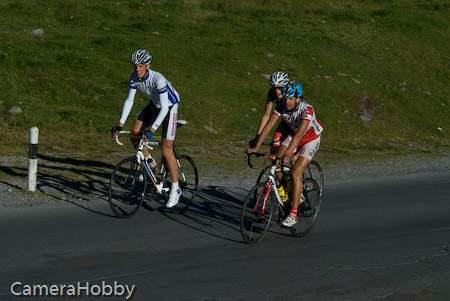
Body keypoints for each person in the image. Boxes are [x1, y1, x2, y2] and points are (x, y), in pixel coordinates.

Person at [111, 49, 182, 208]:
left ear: (147, 66)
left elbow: (164, 108)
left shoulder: (159, 80)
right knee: (134, 133)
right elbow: (129, 100)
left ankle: (176, 188)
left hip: (169, 107)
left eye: (140, 66)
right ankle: (149, 163)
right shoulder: (133, 78)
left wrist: (152, 130)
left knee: (166, 150)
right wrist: (120, 124)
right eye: (135, 66)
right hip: (153, 105)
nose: (137, 69)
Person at [247, 80, 323, 227]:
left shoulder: (307, 110)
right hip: (293, 135)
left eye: (290, 99)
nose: (286, 101)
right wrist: (256, 146)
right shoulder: (282, 106)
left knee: (295, 173)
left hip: (309, 139)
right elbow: (269, 125)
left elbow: (300, 134)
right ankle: (291, 190)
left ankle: (293, 214)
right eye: (285, 98)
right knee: (276, 163)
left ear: (298, 99)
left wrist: (288, 154)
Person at [249, 70, 291, 151]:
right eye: (274, 88)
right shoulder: (272, 93)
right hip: (285, 119)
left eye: (280, 88)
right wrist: (258, 137)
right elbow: (266, 115)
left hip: (296, 121)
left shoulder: (291, 94)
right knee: (275, 144)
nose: (277, 91)